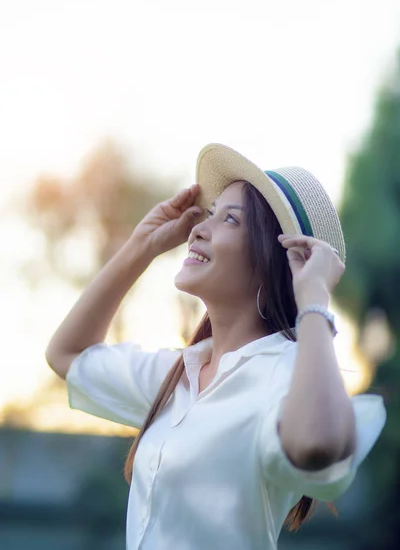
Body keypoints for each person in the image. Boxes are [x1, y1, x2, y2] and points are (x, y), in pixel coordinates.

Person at [46, 143, 386, 550]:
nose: (198, 229)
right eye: (209, 214)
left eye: (229, 219)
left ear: (275, 259)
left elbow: (318, 443)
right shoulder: (178, 377)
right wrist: (143, 245)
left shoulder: (285, 374)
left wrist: (313, 300)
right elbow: (67, 355)